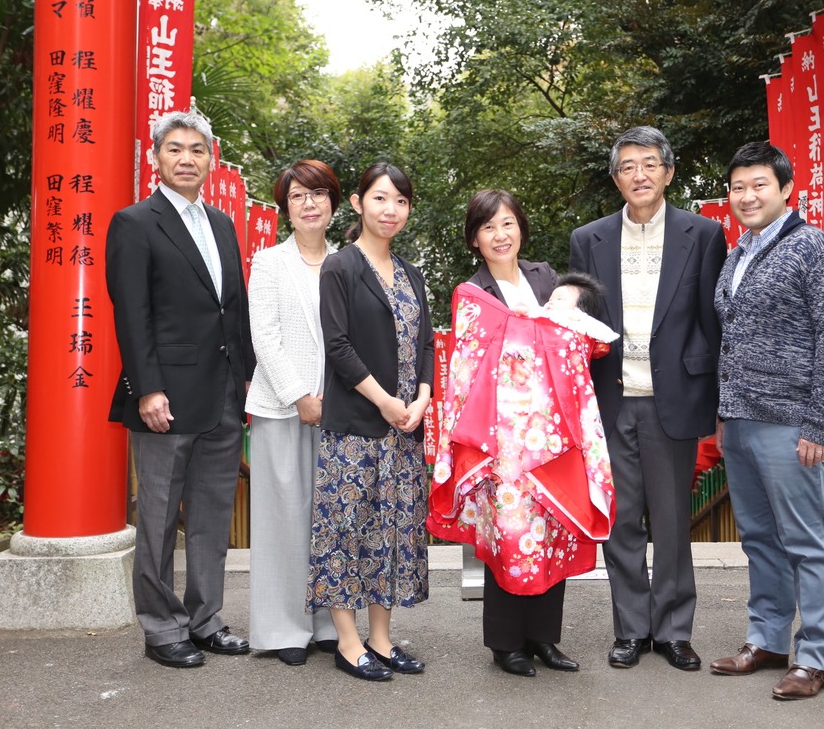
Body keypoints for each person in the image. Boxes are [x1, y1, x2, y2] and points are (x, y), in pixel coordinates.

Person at [429, 191, 616, 677]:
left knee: (551, 531)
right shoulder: (473, 294)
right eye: (488, 227)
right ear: (475, 239)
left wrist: (570, 304)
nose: (500, 235)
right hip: (503, 443)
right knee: (509, 535)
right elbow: (469, 365)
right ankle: (506, 644)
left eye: (508, 223)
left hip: (554, 437)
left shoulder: (546, 278)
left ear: (521, 229)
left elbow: (580, 331)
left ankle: (544, 639)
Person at [569, 126, 726, 671]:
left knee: (673, 521)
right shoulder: (588, 239)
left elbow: (712, 321)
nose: (640, 175)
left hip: (674, 397)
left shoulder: (703, 234)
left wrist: (716, 402)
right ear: (616, 178)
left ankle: (675, 631)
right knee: (621, 522)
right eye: (628, 166)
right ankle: (631, 630)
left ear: (669, 172)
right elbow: (581, 323)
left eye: (650, 164)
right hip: (612, 399)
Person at [105, 110, 256, 668]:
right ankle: (161, 627)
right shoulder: (134, 223)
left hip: (223, 394)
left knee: (213, 515)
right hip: (164, 396)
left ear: (210, 159)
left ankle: (205, 619)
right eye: (175, 149)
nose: (186, 159)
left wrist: (246, 381)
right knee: (159, 517)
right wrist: (147, 389)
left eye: (197, 149)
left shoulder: (221, 224)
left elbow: (232, 310)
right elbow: (132, 313)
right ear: (155, 157)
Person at [709, 141, 824, 700]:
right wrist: (724, 414)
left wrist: (818, 424)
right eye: (738, 187)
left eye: (759, 185)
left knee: (806, 541)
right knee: (760, 538)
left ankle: (814, 658)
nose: (747, 196)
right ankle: (767, 640)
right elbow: (732, 338)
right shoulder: (739, 251)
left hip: (792, 424)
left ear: (786, 189)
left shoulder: (813, 246)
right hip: (740, 421)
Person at [307, 162, 433, 682]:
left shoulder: (411, 273)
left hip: (403, 430)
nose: (391, 210)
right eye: (380, 198)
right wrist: (384, 401)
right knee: (346, 531)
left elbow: (427, 344)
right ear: (359, 204)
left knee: (392, 532)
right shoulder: (340, 267)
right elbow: (337, 346)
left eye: (401, 201)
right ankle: (348, 642)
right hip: (356, 427)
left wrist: (422, 398)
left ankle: (381, 639)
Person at [244, 160, 341, 666]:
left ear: (333, 203)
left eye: (318, 194)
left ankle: (327, 624)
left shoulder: (348, 262)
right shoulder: (269, 262)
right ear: (285, 207)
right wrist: (300, 395)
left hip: (341, 410)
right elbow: (265, 337)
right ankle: (283, 628)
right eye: (298, 195)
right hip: (282, 407)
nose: (309, 203)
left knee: (329, 516)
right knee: (282, 517)